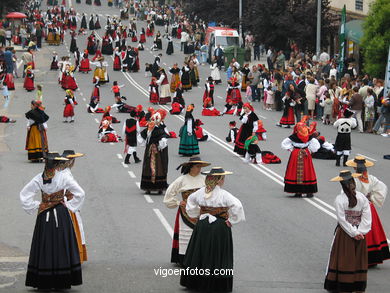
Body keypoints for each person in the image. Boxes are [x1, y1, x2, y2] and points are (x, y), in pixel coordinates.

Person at [20, 152, 84, 290]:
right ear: (56, 165)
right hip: (60, 214)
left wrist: (38, 205)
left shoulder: (39, 178)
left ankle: (44, 280)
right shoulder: (63, 177)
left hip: (44, 216)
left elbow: (25, 195)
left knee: (45, 244)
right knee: (61, 243)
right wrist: (70, 206)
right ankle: (62, 280)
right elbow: (80, 193)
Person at [180, 167, 245, 292]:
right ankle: (216, 284)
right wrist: (232, 221)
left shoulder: (200, 192)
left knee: (200, 251)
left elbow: (190, 201)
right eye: (223, 178)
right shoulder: (224, 194)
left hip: (202, 225)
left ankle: (195, 282)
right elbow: (238, 206)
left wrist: (196, 214)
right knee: (217, 253)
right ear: (219, 180)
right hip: (219, 227)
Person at [324, 170, 371, 292]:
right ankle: (357, 285)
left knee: (344, 258)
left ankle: (343, 285)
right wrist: (360, 232)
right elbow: (367, 218)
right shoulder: (362, 198)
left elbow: (342, 220)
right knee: (357, 259)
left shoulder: (339, 199)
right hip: (360, 233)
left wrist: (353, 233)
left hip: (345, 234)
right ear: (353, 182)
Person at [163, 157, 210, 265]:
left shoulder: (205, 179)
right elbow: (168, 196)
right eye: (197, 166)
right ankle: (184, 259)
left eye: (200, 167)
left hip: (202, 212)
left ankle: (200, 258)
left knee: (201, 235)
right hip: (186, 213)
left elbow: (212, 194)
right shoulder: (182, 180)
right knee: (186, 234)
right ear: (191, 167)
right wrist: (179, 202)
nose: (199, 169)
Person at [346, 156, 390, 266]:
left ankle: (358, 257)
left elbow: (347, 194)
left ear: (355, 168)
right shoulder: (371, 179)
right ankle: (373, 258)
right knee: (371, 231)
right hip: (369, 207)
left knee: (357, 230)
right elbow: (383, 188)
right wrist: (372, 198)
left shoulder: (353, 179)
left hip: (358, 207)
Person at [58, 150, 88, 264]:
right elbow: (79, 193)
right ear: (71, 162)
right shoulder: (65, 175)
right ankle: (72, 256)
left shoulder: (64, 173)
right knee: (72, 231)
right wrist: (71, 205)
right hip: (69, 206)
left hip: (69, 204)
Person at [281, 122, 320, 198]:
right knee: (307, 171)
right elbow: (315, 146)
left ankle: (297, 191)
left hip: (296, 154)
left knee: (295, 171)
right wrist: (309, 150)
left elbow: (284, 144)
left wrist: (292, 149)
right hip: (306, 154)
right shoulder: (309, 137)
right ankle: (309, 191)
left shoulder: (293, 137)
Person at [139, 112, 169, 194]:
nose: (149, 125)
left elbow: (164, 139)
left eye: (152, 123)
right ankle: (148, 187)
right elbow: (141, 138)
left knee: (158, 167)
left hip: (157, 153)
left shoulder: (159, 131)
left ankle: (159, 187)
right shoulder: (146, 131)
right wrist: (146, 144)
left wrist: (158, 146)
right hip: (149, 152)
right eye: (149, 123)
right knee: (147, 167)